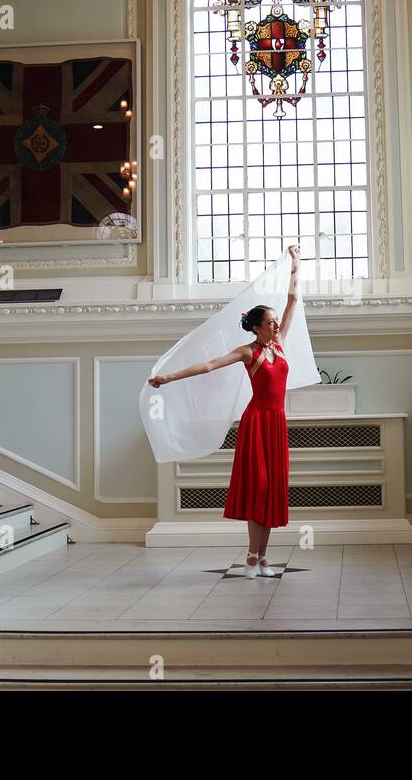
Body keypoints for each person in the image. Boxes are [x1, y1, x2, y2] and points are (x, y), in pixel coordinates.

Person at [148, 246, 300, 578]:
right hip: (257, 422)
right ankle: (250, 556)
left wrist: (294, 265)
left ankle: (263, 558)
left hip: (277, 424)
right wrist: (168, 378)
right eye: (271, 323)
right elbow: (209, 364)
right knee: (258, 486)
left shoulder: (280, 344)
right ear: (258, 327)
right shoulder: (248, 352)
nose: (276, 326)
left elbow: (292, 301)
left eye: (276, 323)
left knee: (273, 489)